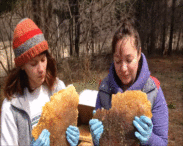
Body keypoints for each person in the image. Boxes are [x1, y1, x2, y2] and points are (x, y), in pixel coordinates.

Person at [1, 18, 79, 146]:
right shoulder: (11, 107)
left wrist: (72, 141)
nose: (41, 69)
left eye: (43, 60)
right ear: (22, 66)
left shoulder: (58, 89)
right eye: (33, 63)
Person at [89, 19, 169, 146]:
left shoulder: (153, 90)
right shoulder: (104, 90)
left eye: (128, 60)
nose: (123, 68)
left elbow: (163, 142)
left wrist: (150, 139)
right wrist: (97, 140)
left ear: (138, 54)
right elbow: (99, 142)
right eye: (118, 61)